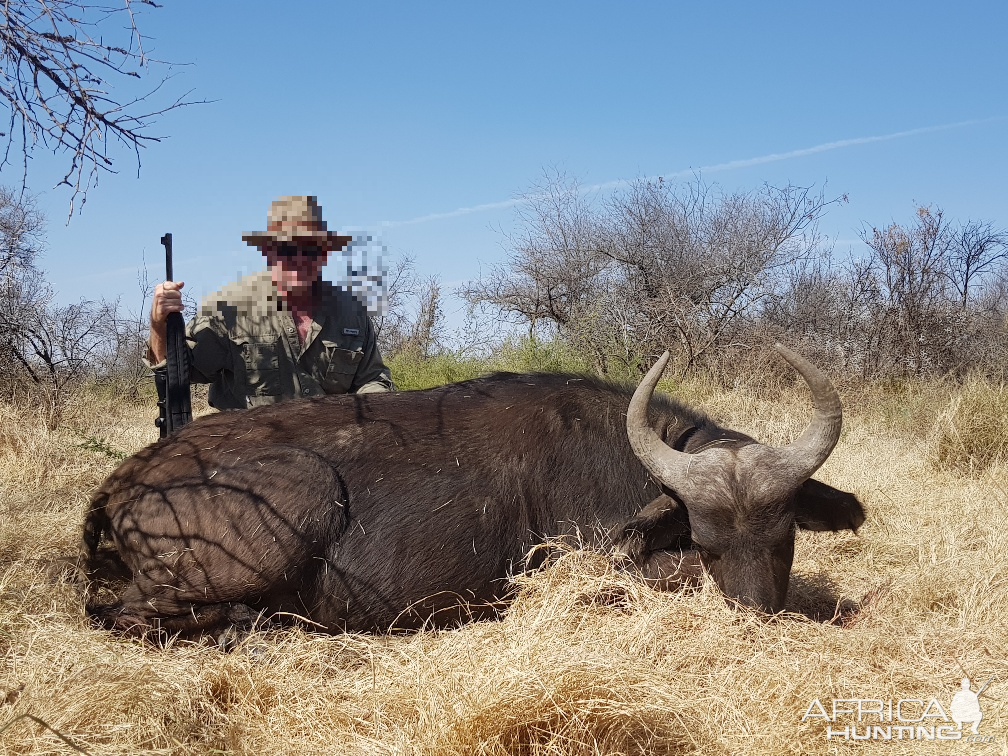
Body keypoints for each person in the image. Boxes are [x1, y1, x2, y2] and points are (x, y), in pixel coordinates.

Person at [147, 196, 395, 409]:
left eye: (309, 250)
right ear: (268, 253)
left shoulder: (351, 312)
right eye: (287, 250)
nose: (298, 260)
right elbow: (178, 372)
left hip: (331, 448)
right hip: (250, 450)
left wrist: (369, 417)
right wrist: (159, 324)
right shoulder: (227, 309)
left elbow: (373, 379)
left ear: (324, 255)